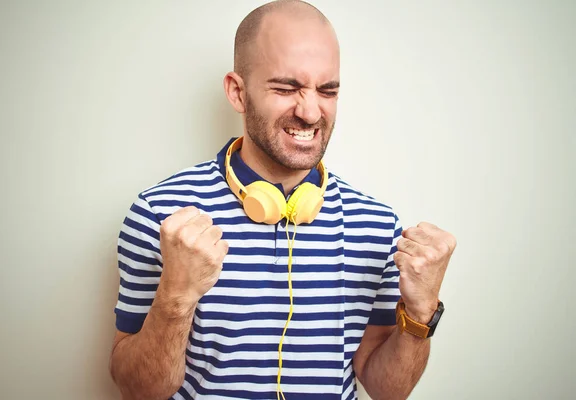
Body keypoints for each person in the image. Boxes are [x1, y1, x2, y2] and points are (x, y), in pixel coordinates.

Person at [109, 1, 456, 399]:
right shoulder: (160, 214)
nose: (310, 112)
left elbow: (386, 390)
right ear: (237, 92)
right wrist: (175, 298)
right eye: (286, 88)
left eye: (327, 90)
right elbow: (138, 391)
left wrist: (420, 312)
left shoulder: (378, 226)